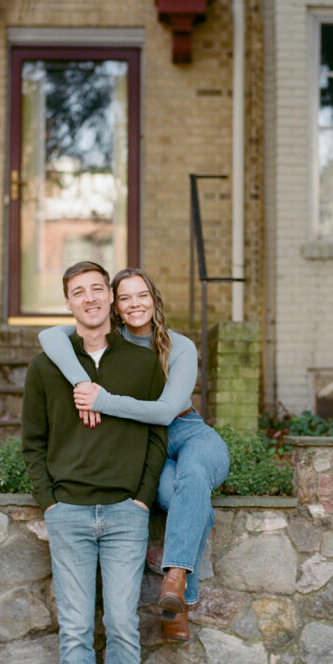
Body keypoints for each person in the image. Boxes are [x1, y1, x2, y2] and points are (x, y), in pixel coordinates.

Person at [22, 261, 167, 664]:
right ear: (69, 304)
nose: (89, 298)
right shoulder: (46, 368)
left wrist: (143, 499)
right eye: (77, 292)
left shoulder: (142, 362)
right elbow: (33, 443)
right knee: (77, 630)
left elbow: (158, 435)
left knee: (125, 627)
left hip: (127, 514)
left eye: (97, 289)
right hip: (71, 514)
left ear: (110, 298)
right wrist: (50, 504)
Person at [38, 267, 230, 643]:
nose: (134, 304)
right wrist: (82, 380)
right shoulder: (111, 342)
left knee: (194, 473)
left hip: (188, 431)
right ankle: (181, 597)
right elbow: (48, 335)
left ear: (154, 299)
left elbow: (163, 411)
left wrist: (102, 400)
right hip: (144, 441)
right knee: (181, 497)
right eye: (124, 298)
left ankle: (177, 586)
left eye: (141, 295)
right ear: (115, 305)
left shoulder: (180, 346)